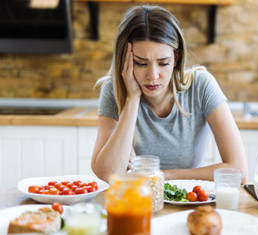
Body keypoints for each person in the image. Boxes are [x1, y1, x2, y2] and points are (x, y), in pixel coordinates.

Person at [91, 5, 248, 184]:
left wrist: (160, 175)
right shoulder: (114, 90)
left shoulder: (201, 85)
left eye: (163, 63)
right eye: (141, 63)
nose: (153, 75)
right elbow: (107, 174)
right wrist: (132, 100)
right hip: (136, 202)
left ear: (176, 58)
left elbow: (239, 171)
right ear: (124, 60)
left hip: (187, 201)